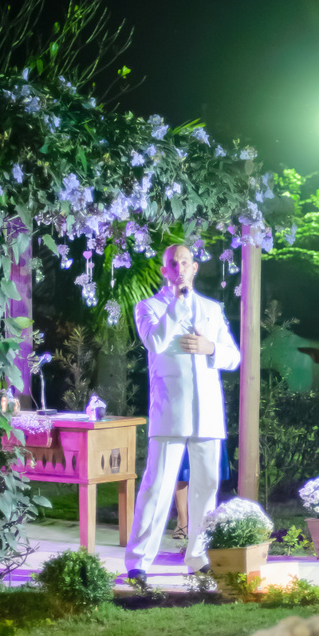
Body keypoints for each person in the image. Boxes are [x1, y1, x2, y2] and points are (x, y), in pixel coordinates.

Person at [125, 244, 240, 580]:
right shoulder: (149, 307)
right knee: (157, 487)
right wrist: (178, 301)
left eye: (185, 263)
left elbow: (233, 357)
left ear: (195, 268)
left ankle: (197, 556)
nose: (179, 268)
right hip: (169, 411)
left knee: (206, 486)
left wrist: (211, 348)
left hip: (207, 413)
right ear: (165, 271)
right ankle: (138, 562)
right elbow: (155, 342)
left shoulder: (212, 308)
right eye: (172, 264)